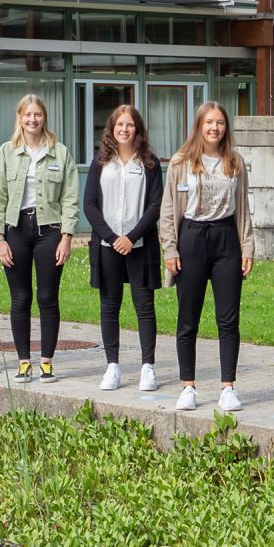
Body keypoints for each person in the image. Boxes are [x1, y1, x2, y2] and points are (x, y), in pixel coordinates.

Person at [158, 101, 253, 412]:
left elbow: (243, 209)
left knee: (228, 318)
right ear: (199, 125)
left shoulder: (235, 161)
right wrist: (169, 248)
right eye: (209, 122)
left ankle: (228, 387)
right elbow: (168, 211)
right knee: (188, 318)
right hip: (192, 239)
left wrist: (247, 246)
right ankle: (188, 386)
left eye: (220, 123)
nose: (215, 128)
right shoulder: (181, 162)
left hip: (226, 239)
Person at [0, 94, 78, 384]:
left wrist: (67, 236)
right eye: (27, 115)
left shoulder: (60, 152)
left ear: (44, 117)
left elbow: (70, 197)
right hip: (16, 230)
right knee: (20, 298)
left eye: (37, 114)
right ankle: (24, 362)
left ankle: (47, 362)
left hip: (50, 231)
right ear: (19, 117)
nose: (32, 120)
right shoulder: (6, 152)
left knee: (47, 298)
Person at [84, 104, 163, 392]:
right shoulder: (100, 162)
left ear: (137, 129)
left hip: (139, 244)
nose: (124, 129)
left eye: (129, 125)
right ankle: (112, 366)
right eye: (119, 125)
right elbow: (90, 205)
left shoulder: (150, 164)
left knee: (144, 307)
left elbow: (156, 205)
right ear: (112, 129)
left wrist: (131, 236)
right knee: (109, 306)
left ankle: (147, 367)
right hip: (107, 246)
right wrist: (111, 236)